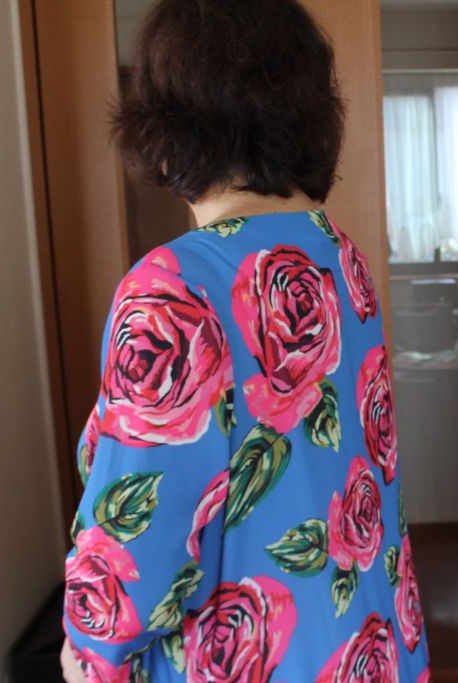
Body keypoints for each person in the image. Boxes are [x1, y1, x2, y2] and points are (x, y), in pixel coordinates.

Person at [59, 1, 430, 680]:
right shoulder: (340, 259)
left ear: (169, 128)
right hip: (368, 643)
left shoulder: (175, 287)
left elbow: (139, 538)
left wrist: (89, 652)